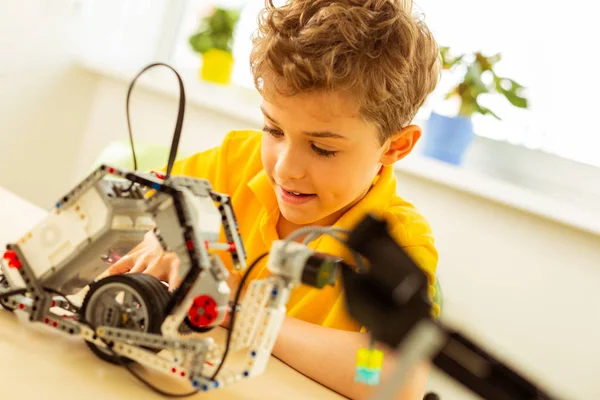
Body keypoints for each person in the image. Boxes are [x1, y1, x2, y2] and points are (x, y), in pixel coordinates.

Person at [108, 0, 441, 398]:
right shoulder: (236, 161)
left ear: (395, 147)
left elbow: (392, 379)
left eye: (322, 149)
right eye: (273, 129)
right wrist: (155, 237)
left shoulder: (399, 244)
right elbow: (132, 210)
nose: (285, 168)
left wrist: (238, 308)